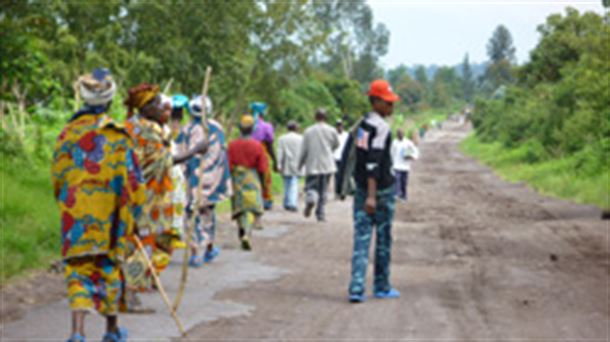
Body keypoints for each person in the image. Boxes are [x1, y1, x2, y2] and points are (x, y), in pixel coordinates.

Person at [52, 68, 145, 342]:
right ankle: (111, 330)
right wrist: (135, 216)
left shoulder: (67, 134)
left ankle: (78, 332)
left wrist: (67, 204)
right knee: (108, 268)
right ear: (110, 99)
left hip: (76, 215)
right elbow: (133, 183)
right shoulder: (119, 136)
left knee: (78, 271)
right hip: (110, 217)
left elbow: (58, 178)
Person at [123, 84, 206, 310]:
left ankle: (132, 286)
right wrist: (195, 150)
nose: (163, 108)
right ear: (145, 107)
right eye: (157, 104)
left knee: (134, 241)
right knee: (145, 242)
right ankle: (130, 293)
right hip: (147, 195)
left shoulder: (130, 126)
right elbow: (163, 161)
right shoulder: (147, 130)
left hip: (133, 193)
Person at [347, 79, 400, 303]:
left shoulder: (363, 124)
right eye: (388, 102)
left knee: (361, 237)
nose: (391, 107)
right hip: (379, 191)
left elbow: (360, 156)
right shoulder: (381, 128)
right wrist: (371, 195)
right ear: (376, 101)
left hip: (361, 189)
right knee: (383, 240)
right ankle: (381, 285)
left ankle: (356, 288)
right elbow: (373, 163)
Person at [182, 95, 232, 267]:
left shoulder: (188, 130)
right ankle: (209, 248)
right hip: (213, 181)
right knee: (208, 214)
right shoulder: (217, 128)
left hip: (195, 181)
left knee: (192, 216)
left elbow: (181, 155)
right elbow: (222, 154)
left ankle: (196, 252)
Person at [227, 115, 269, 250]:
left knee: (240, 207)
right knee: (250, 207)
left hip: (237, 179)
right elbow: (262, 168)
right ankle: (247, 233)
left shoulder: (232, 145)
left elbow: (228, 165)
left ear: (240, 129)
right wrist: (263, 184)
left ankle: (241, 229)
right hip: (252, 177)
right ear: (252, 130)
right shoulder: (257, 146)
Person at [298, 109, 339, 222]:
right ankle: (321, 214)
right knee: (323, 189)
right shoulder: (332, 130)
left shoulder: (308, 131)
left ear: (315, 117)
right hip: (327, 164)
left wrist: (300, 164)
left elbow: (304, 150)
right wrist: (328, 150)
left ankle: (311, 198)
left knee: (311, 186)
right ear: (326, 118)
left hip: (312, 164)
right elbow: (336, 144)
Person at [250, 102, 276, 210]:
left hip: (249, 153)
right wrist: (275, 160)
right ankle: (265, 200)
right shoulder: (267, 126)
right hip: (262, 153)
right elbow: (270, 144)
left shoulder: (247, 124)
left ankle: (252, 199)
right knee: (265, 177)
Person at [277, 120, 303, 212]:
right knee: (294, 182)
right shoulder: (301, 138)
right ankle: (292, 203)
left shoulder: (282, 138)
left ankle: (287, 202)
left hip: (286, 163)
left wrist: (279, 164)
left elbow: (280, 152)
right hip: (297, 162)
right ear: (296, 128)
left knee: (287, 183)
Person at [391, 128, 419, 202]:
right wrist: (391, 163)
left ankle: (404, 196)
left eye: (401, 133)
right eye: (398, 134)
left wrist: (413, 157)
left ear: (403, 134)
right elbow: (391, 153)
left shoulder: (408, 143)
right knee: (397, 179)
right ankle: (397, 194)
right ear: (396, 134)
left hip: (405, 166)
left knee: (404, 182)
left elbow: (415, 151)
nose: (399, 135)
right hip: (396, 165)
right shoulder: (394, 142)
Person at [333, 119, 350, 195]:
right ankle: (337, 191)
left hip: (344, 157)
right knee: (337, 175)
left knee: (343, 174)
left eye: (341, 126)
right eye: (338, 126)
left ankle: (343, 190)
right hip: (335, 157)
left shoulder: (346, 135)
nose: (339, 127)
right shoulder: (333, 135)